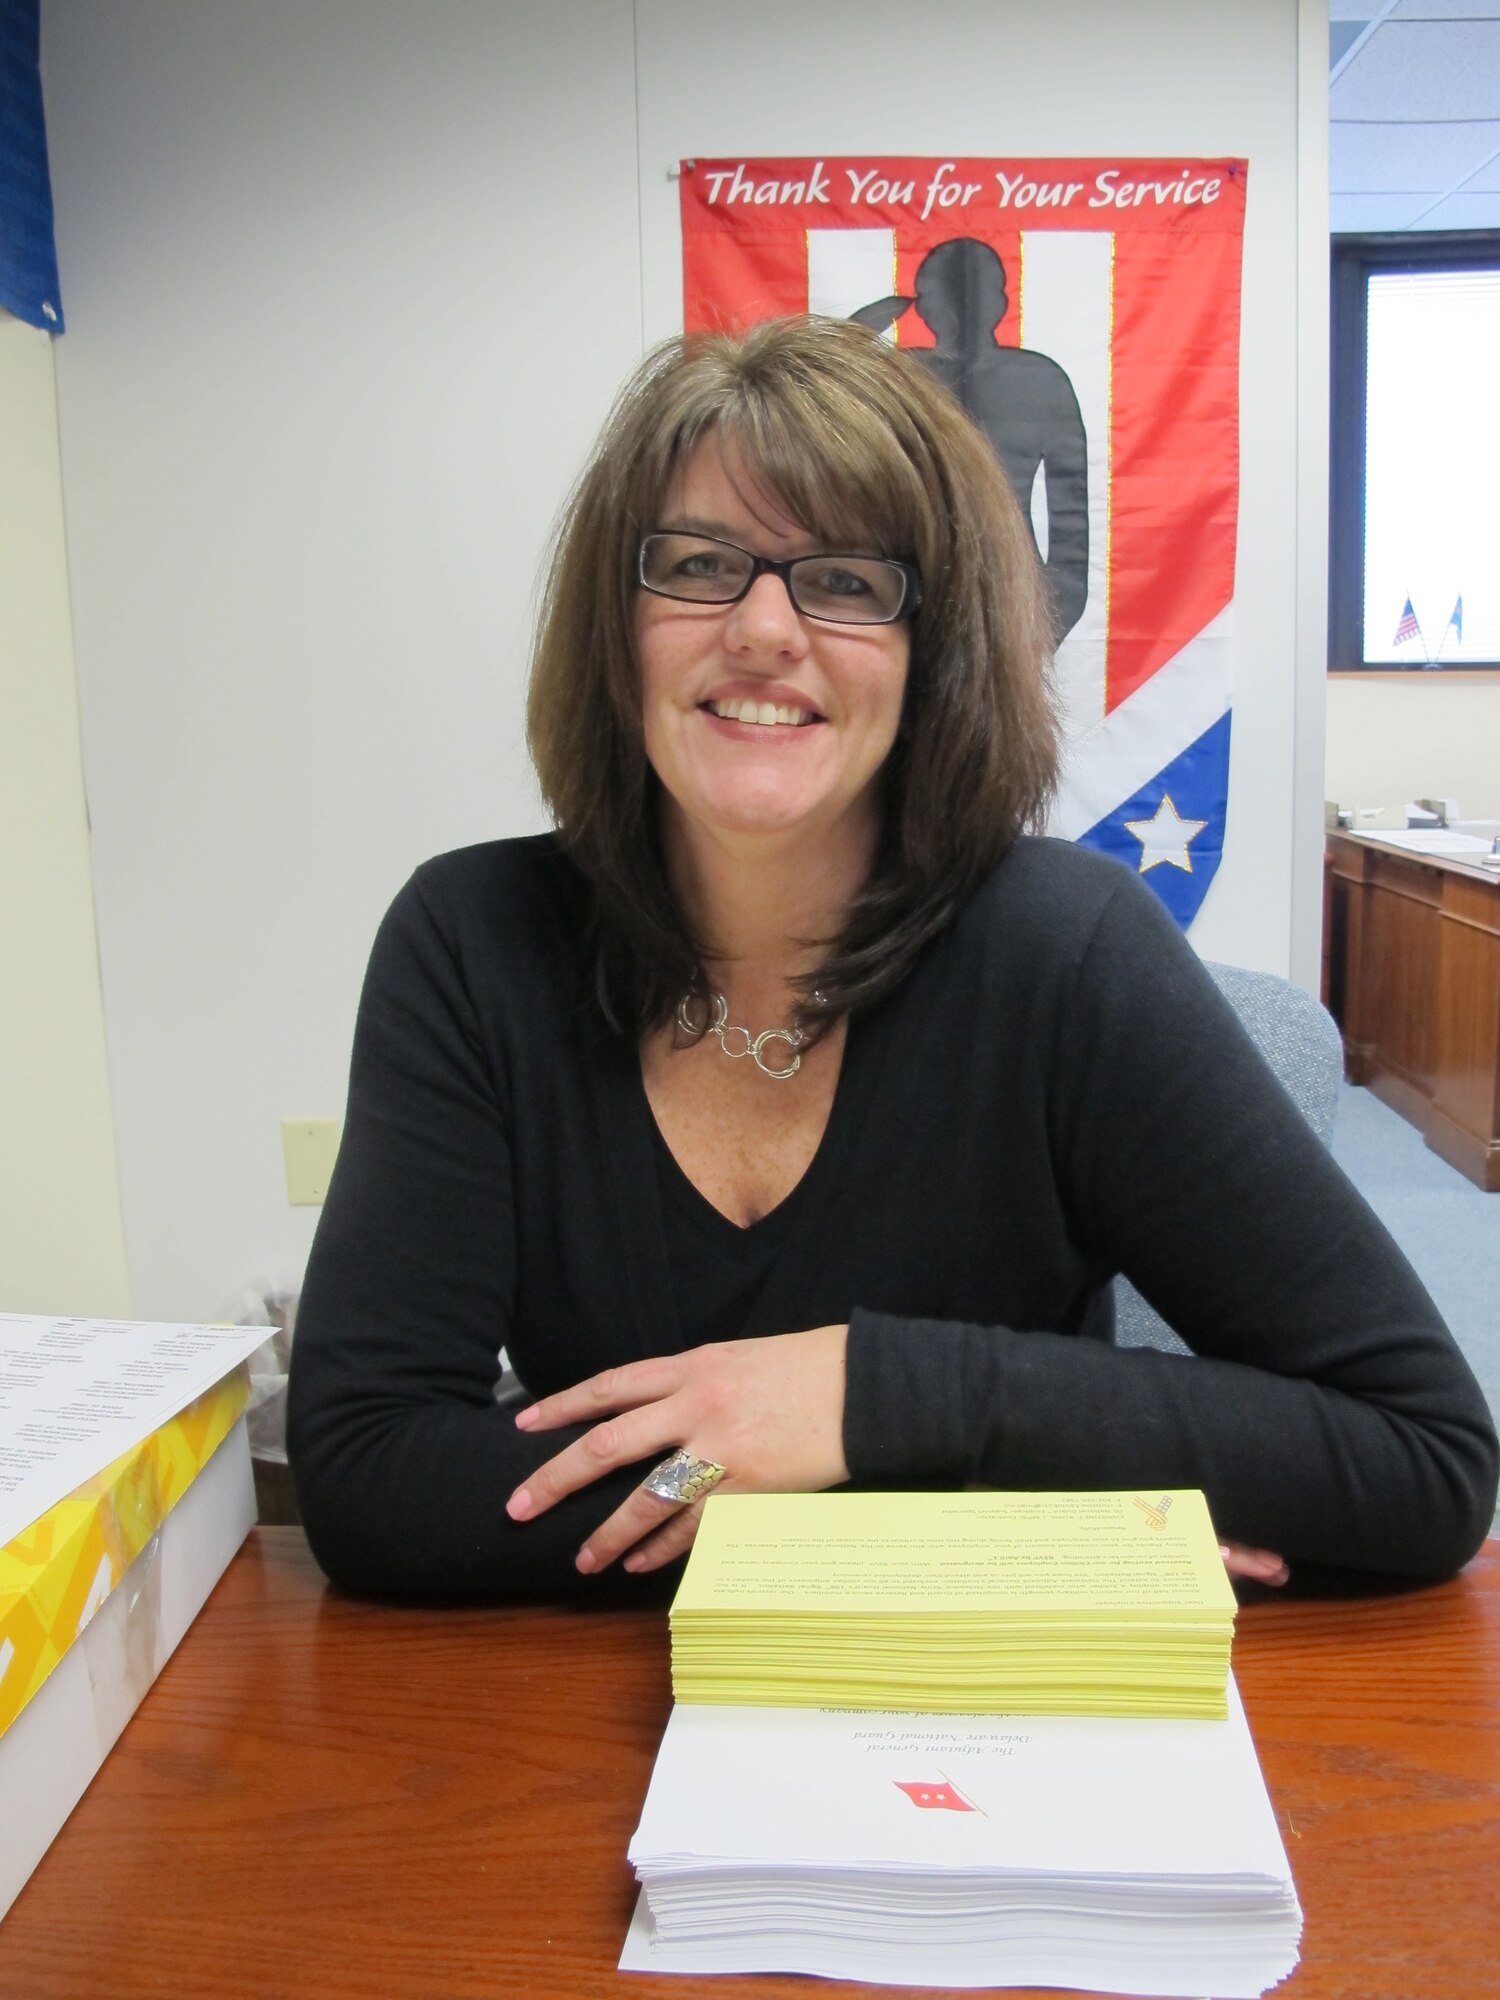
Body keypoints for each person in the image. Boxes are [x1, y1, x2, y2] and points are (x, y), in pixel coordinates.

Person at [286, 316, 1496, 1605]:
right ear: (613, 623)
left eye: (848, 582)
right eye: (699, 563)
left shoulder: (1070, 957)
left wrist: (867, 1396)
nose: (762, 630)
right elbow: (372, 1480)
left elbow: (1420, 1460)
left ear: (937, 657)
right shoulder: (473, 943)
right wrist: (976, 1530)